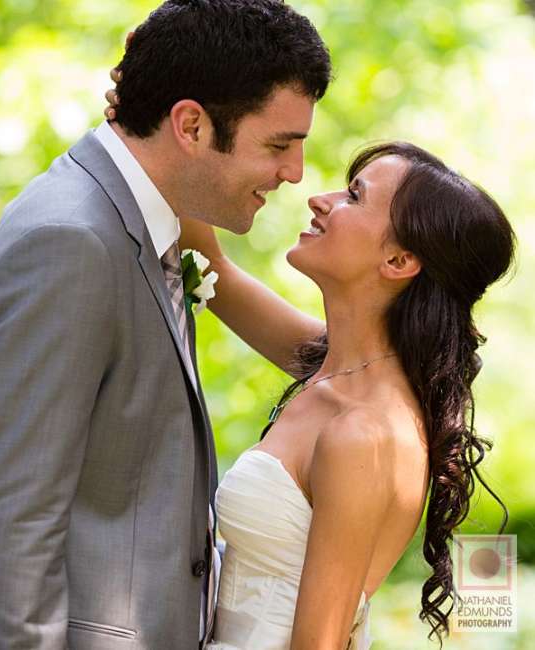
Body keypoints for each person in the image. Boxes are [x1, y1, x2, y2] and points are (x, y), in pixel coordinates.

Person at [0, 1, 331, 649]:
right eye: (278, 145)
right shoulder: (70, 242)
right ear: (191, 125)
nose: (294, 174)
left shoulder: (149, 221)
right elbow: (7, 532)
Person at [172, 143, 514, 648]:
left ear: (398, 260)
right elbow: (208, 264)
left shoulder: (364, 432)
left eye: (354, 196)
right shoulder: (331, 367)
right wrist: (169, 126)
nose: (319, 199)